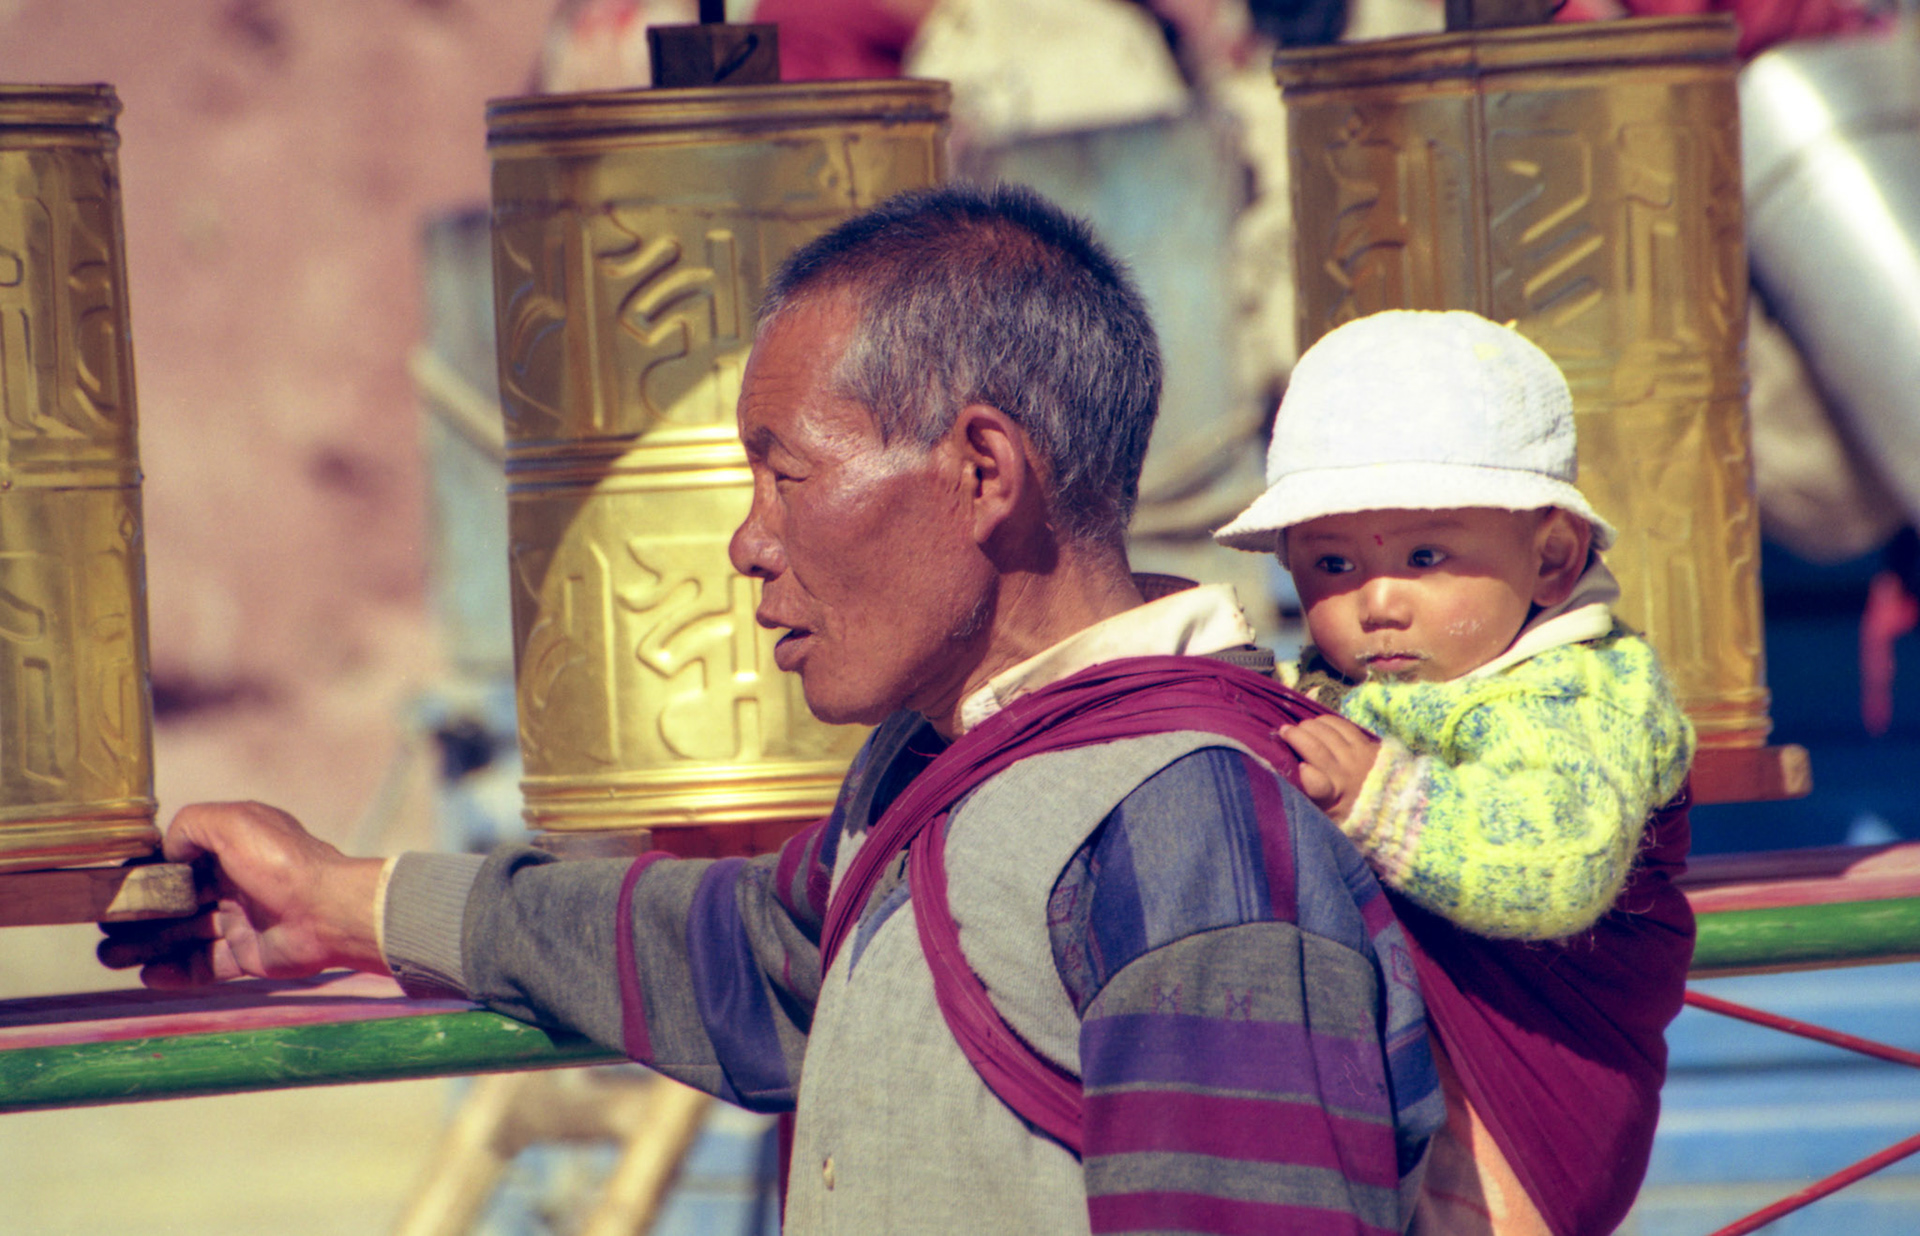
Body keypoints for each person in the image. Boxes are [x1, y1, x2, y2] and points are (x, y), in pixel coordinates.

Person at [102, 184, 1443, 1236]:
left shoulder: (1188, 826)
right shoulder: (938, 776)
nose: (747, 545)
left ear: (983, 470)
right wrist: (343, 901)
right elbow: (747, 952)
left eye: (783, 476)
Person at [1214, 309, 1698, 1236]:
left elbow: (1559, 864)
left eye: (1426, 556)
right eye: (1331, 563)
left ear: (1552, 557)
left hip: (1529, 1095)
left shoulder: (1584, 691)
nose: (1377, 602)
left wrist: (1381, 802)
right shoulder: (1341, 687)